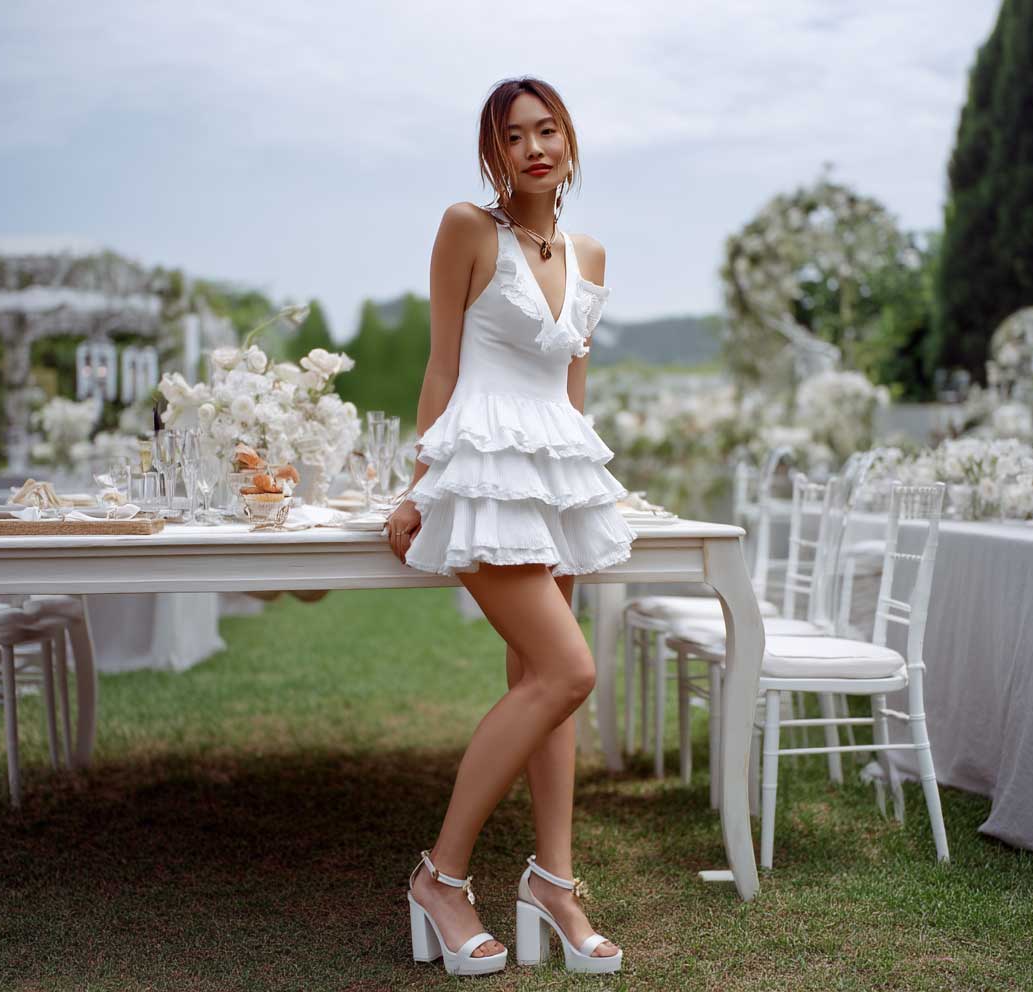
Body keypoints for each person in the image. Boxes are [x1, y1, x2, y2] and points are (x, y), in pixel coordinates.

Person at [383, 77, 637, 977]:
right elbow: (441, 368)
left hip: (552, 474)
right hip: (481, 473)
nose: (535, 147)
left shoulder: (592, 252)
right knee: (570, 669)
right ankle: (441, 878)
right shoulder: (466, 228)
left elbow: (571, 384)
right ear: (493, 151)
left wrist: (585, 483)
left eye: (548, 129)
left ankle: (553, 881)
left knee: (546, 678)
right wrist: (417, 485)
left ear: (569, 140)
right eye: (514, 135)